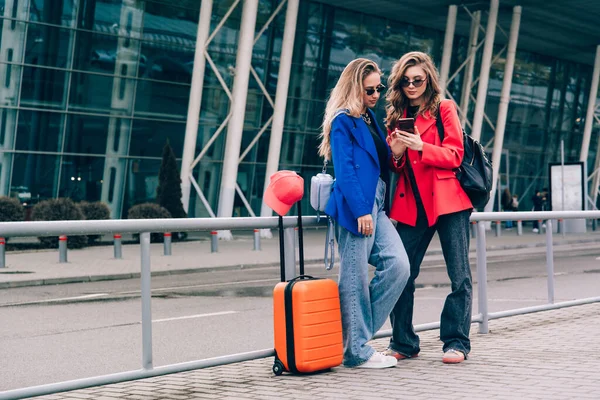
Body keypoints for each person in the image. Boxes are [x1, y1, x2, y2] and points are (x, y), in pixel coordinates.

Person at [319, 58, 410, 369]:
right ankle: (356, 350)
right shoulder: (342, 121)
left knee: (399, 265)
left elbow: (383, 166)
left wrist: (395, 151)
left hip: (378, 204)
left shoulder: (370, 119)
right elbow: (345, 170)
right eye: (369, 89)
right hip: (355, 205)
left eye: (379, 88)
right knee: (354, 277)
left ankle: (354, 338)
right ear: (354, 87)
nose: (375, 94)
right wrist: (361, 210)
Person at [383, 51, 473, 364]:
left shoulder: (444, 108)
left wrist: (422, 146)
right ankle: (404, 343)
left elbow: (455, 156)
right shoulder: (397, 117)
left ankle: (456, 342)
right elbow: (395, 167)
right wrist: (395, 153)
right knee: (400, 273)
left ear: (428, 79)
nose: (411, 85)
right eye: (405, 81)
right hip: (412, 206)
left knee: (459, 276)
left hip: (448, 203)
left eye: (417, 80)